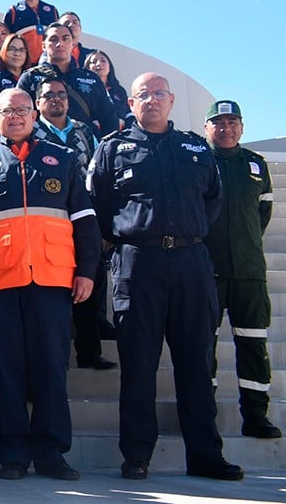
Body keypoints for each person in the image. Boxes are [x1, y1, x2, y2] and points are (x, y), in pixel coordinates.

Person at [87, 73, 243, 481]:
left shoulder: (194, 147)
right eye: (143, 94)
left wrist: (184, 233)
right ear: (131, 103)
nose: (151, 100)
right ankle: (137, 455)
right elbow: (99, 205)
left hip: (191, 261)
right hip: (139, 264)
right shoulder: (112, 149)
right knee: (139, 365)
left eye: (159, 93)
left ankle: (206, 455)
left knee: (196, 361)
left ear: (171, 101)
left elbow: (213, 200)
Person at [0, 88, 100, 481]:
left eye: (21, 110)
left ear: (34, 115)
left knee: (51, 368)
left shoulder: (63, 159)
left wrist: (87, 270)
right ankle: (12, 454)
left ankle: (52, 454)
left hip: (52, 281)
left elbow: (84, 219)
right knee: (4, 369)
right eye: (5, 111)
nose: (14, 116)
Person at [202, 100, 280, 439]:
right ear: (208, 129)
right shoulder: (199, 163)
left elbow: (262, 215)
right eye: (218, 122)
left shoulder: (256, 166)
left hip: (249, 272)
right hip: (208, 270)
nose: (226, 128)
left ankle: (256, 416)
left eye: (232, 121)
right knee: (203, 344)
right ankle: (204, 413)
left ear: (242, 127)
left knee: (253, 343)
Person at [31, 79, 113, 370]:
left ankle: (89, 351)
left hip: (82, 217)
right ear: (37, 102)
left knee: (88, 282)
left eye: (61, 95)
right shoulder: (32, 132)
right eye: (48, 96)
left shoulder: (83, 130)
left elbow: (98, 173)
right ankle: (56, 358)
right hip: (46, 221)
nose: (56, 100)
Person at [17, 23, 119, 137]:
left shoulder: (91, 79)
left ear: (73, 44)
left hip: (86, 149)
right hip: (42, 149)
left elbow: (109, 119)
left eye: (65, 38)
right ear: (44, 46)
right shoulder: (30, 77)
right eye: (53, 39)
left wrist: (104, 149)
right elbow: (19, 113)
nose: (60, 44)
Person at [3, 0, 59, 66]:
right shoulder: (13, 10)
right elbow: (6, 39)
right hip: (24, 62)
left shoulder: (52, 10)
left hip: (49, 61)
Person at [83, 50, 131, 128]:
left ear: (109, 67)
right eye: (94, 62)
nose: (99, 64)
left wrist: (122, 121)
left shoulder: (119, 91)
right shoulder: (83, 90)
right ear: (88, 68)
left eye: (103, 61)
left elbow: (128, 112)